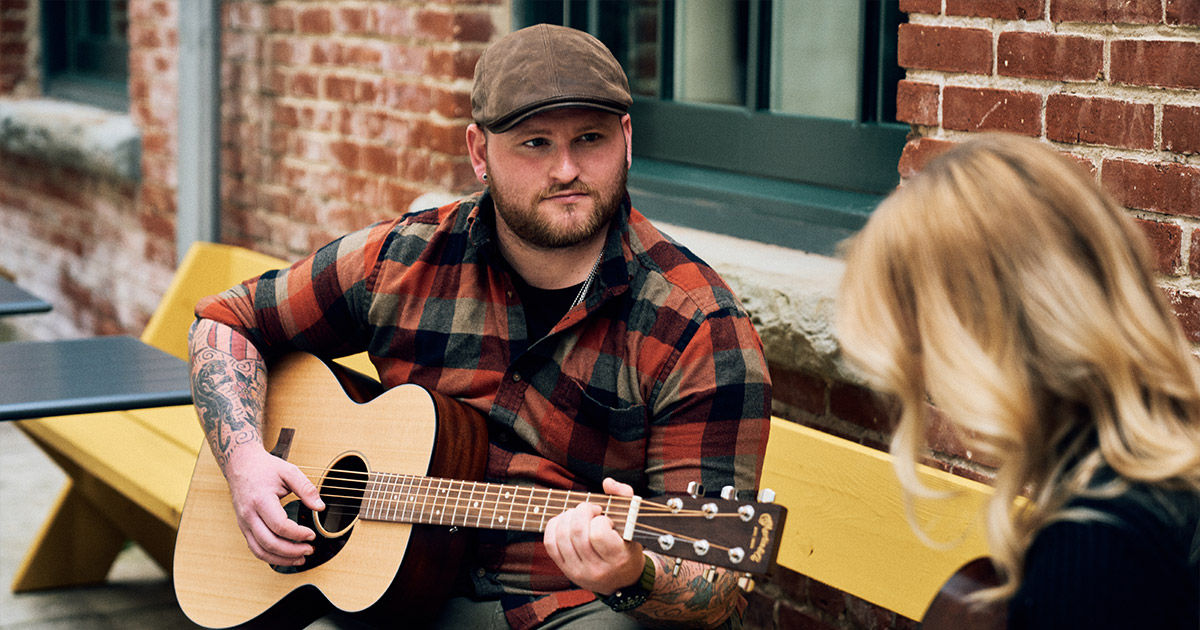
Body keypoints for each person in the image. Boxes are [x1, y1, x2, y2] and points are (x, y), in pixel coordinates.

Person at [188, 23, 771, 630]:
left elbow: (716, 584)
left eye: (590, 138)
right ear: (478, 152)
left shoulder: (699, 326)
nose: (566, 169)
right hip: (386, 583)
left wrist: (635, 574)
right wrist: (246, 459)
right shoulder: (404, 258)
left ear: (626, 139)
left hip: (567, 605)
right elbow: (225, 321)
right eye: (534, 144)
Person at [836, 133, 1200, 629]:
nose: (928, 384)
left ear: (979, 340)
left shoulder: (1094, 548)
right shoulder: (1162, 479)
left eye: (922, 348)